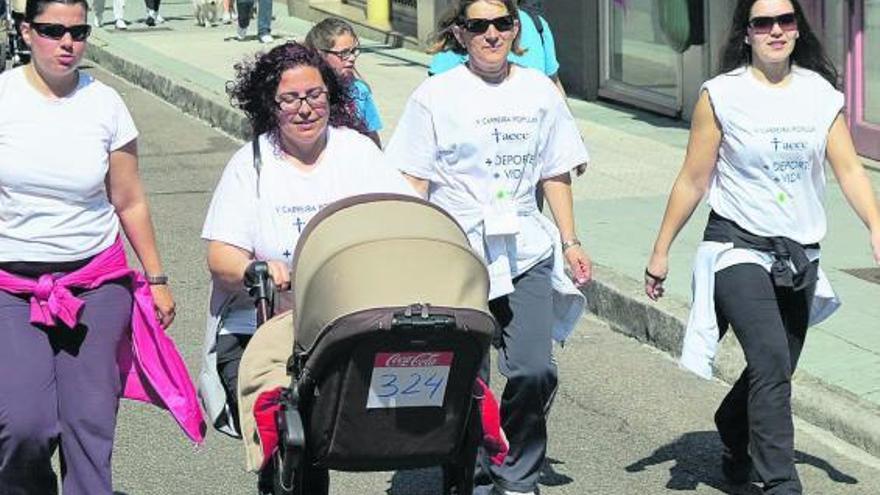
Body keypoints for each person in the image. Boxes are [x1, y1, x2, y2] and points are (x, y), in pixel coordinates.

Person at [644, 0, 880, 493]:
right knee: (772, 361)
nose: (776, 30)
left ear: (798, 29)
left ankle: (734, 428)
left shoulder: (820, 95)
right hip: (736, 246)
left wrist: (876, 225)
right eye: (763, 22)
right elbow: (693, 178)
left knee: (775, 367)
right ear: (746, 33)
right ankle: (779, 484)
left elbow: (851, 170)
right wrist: (661, 250)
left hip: (799, 254)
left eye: (785, 20)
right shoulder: (722, 95)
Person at [385, 1, 592, 494]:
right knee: (466, 377)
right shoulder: (435, 95)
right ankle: (471, 475)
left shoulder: (539, 91)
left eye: (502, 24)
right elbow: (412, 178)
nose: (492, 34)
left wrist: (571, 240)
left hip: (526, 247)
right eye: (478, 26)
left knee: (535, 369)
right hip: (459, 251)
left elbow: (555, 170)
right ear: (461, 33)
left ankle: (518, 475)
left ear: (515, 30)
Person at [0, 0, 205, 492]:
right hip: (11, 288)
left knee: (88, 426)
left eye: (78, 31)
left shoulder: (106, 103)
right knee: (22, 425)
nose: (67, 42)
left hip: (95, 283)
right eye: (53, 31)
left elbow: (129, 199)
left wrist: (156, 278)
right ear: (26, 32)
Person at [197, 41, 413, 492]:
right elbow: (220, 258)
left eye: (315, 95)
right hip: (261, 328)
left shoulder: (356, 152)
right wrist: (260, 268)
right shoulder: (251, 164)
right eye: (290, 99)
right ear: (269, 104)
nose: (305, 108)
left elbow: (405, 215)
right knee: (290, 438)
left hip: (345, 326)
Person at [306, 17, 383, 147]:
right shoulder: (306, 93)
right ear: (320, 54)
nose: (352, 58)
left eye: (353, 51)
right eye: (344, 53)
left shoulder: (359, 90)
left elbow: (372, 136)